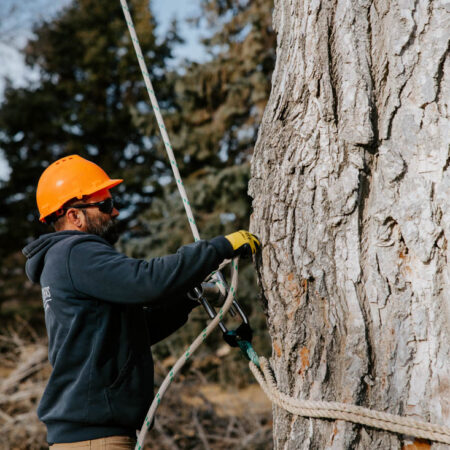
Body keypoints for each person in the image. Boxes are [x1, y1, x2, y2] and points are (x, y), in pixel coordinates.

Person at [22, 154, 260, 449]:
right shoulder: (75, 252)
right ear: (74, 216)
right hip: (96, 438)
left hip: (91, 434)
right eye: (105, 205)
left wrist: (185, 299)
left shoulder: (65, 261)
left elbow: (133, 333)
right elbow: (147, 281)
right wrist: (220, 247)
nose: (116, 211)